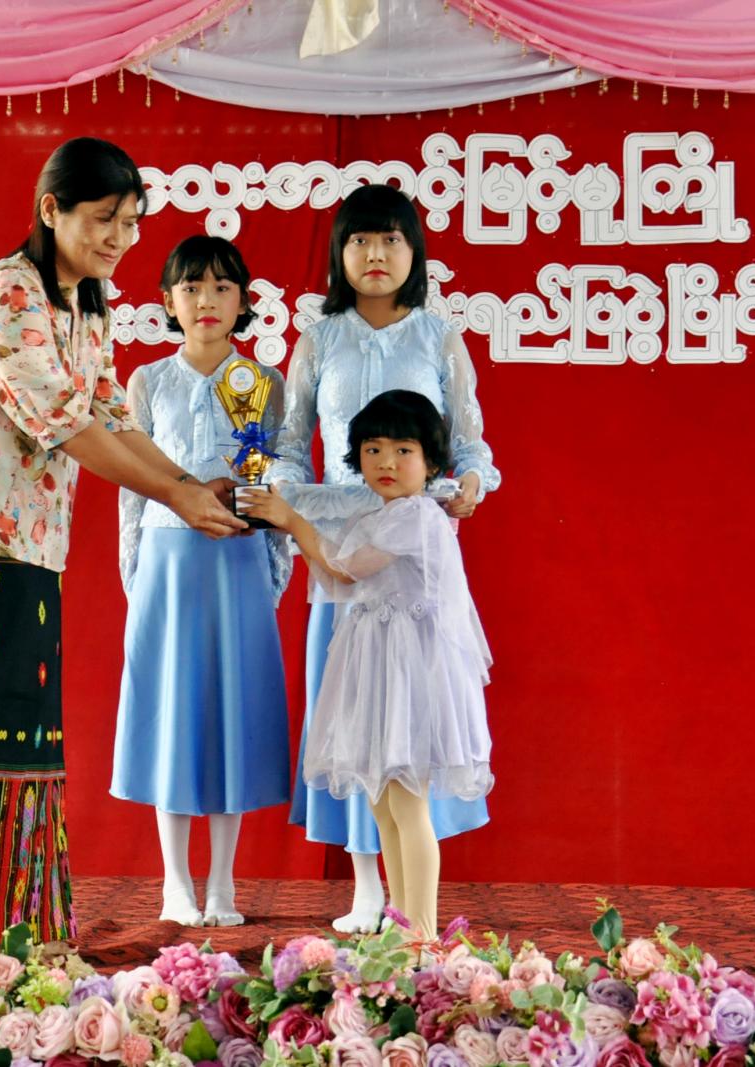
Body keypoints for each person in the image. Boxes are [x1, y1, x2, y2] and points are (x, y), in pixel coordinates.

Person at [0, 138, 243, 944]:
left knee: (27, 740)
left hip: (32, 543)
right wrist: (177, 497)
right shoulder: (6, 296)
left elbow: (112, 414)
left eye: (132, 221)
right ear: (51, 210)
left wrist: (191, 483)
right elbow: (68, 426)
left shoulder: (91, 303)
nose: (121, 237)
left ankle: (23, 930)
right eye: (104, 219)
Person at [264, 182, 500, 933]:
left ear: (413, 250)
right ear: (339, 252)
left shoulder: (438, 336)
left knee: (406, 724)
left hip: (408, 553)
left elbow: (469, 445)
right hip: (338, 541)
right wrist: (292, 503)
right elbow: (287, 448)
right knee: (354, 721)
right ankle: (366, 889)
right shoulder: (318, 339)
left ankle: (411, 914)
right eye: (359, 239)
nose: (375, 253)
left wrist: (469, 484)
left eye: (391, 239)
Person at [243, 389, 493, 939]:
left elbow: (344, 568)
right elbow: (340, 575)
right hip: (382, 670)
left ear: (431, 463)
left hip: (408, 677)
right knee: (386, 809)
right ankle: (404, 929)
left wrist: (291, 519)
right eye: (373, 449)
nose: (386, 462)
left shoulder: (417, 516)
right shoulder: (387, 515)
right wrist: (294, 525)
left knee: (407, 807)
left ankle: (422, 937)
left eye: (404, 450)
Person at [109, 235, 292, 927]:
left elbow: (276, 483)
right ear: (168, 301)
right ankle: (174, 883)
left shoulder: (266, 384)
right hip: (167, 563)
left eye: (221, 288)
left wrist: (271, 570)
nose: (206, 301)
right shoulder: (147, 382)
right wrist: (136, 574)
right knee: (174, 717)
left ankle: (222, 884)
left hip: (239, 563)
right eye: (191, 288)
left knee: (229, 718)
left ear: (243, 301)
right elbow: (131, 485)